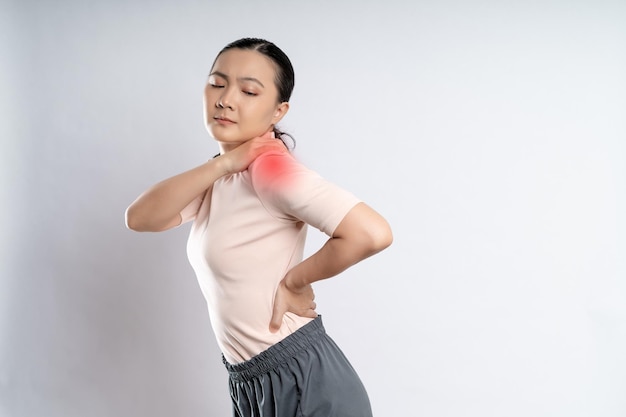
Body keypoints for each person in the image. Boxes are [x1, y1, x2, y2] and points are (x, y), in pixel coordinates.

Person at [125, 37, 392, 417]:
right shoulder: (224, 176)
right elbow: (140, 218)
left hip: (302, 379)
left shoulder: (269, 170)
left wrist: (295, 282)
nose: (226, 99)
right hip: (251, 381)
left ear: (278, 111)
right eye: (218, 83)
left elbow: (372, 232)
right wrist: (221, 164)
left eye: (249, 90)